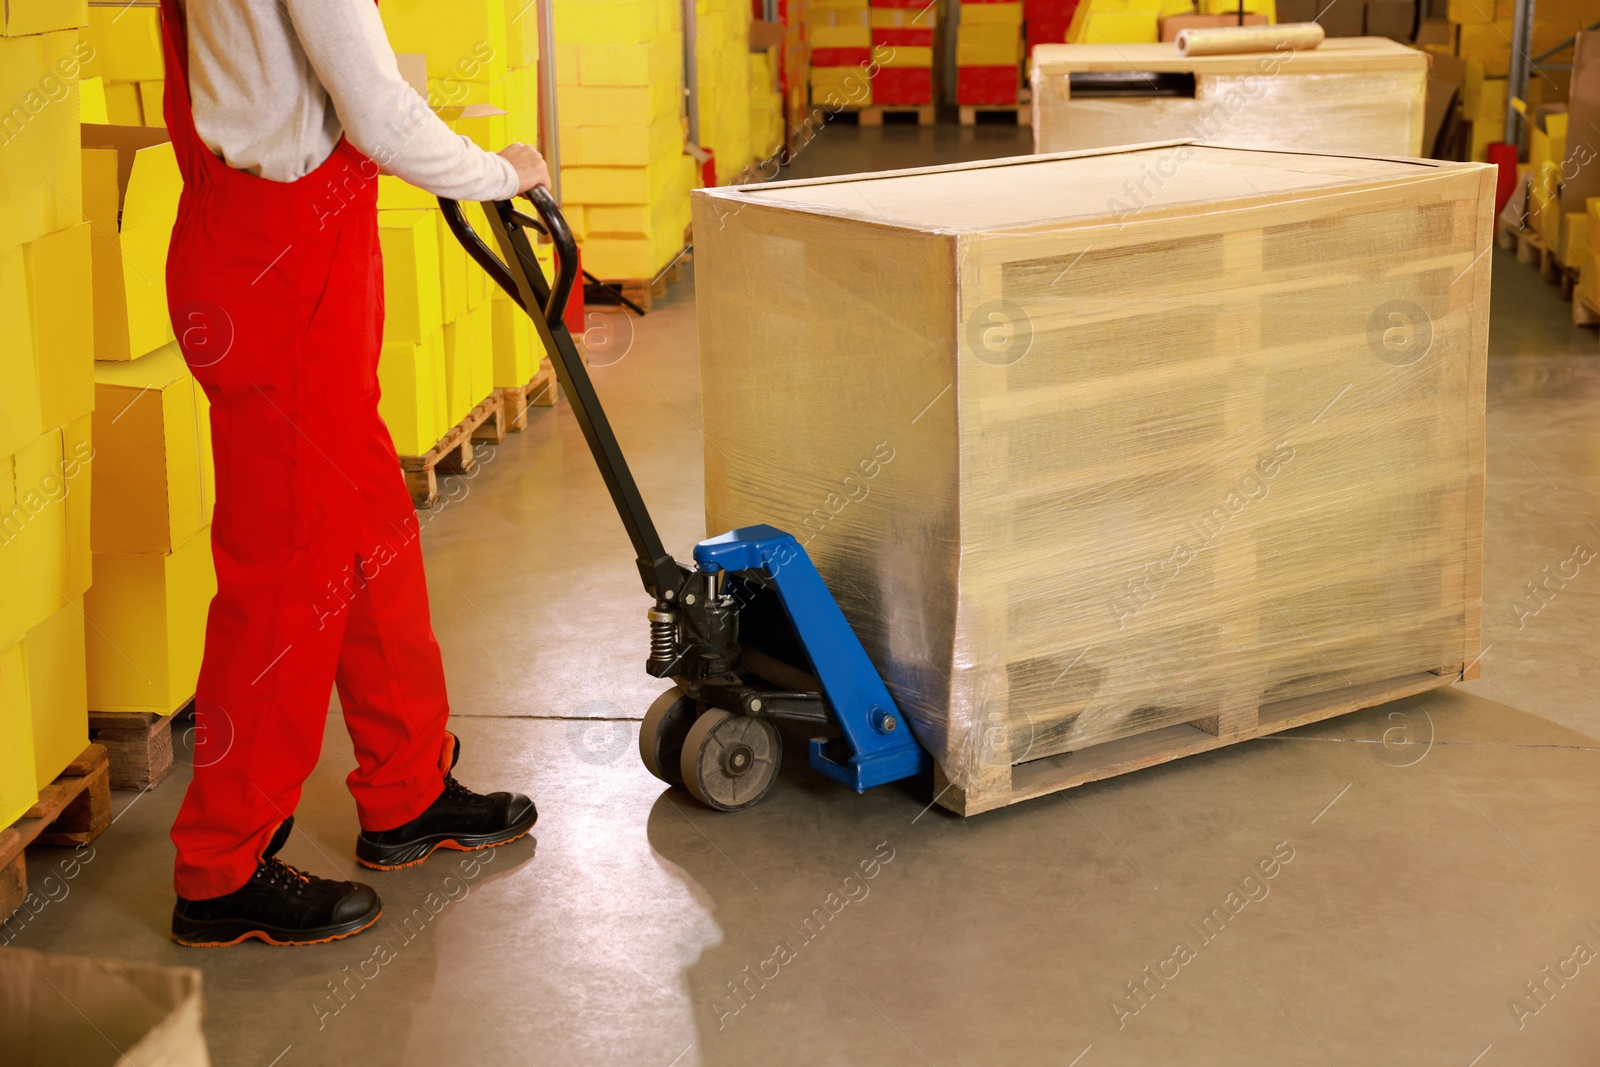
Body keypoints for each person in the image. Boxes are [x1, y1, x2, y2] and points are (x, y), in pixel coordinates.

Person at [158, 0, 548, 947]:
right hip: (280, 261)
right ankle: (222, 865)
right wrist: (503, 173)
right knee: (287, 568)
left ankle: (407, 789)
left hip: (276, 244)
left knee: (369, 528)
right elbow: (374, 111)